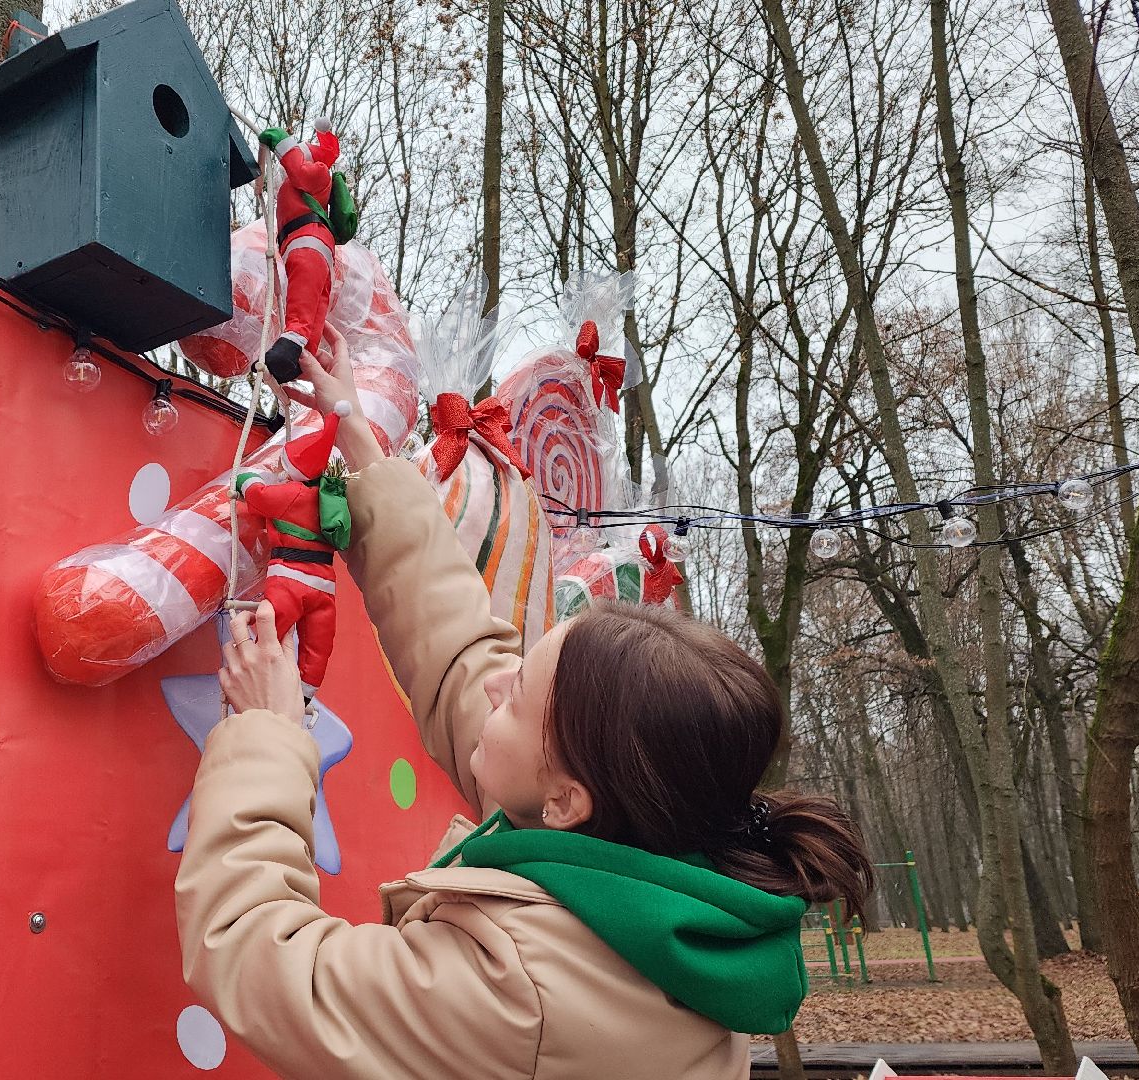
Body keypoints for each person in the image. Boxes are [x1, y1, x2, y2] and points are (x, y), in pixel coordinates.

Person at [175, 331, 875, 1080]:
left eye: (517, 698)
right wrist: (365, 454)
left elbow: (262, 956)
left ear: (566, 799)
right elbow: (462, 657)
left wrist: (266, 736)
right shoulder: (638, 857)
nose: (494, 687)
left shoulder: (526, 992)